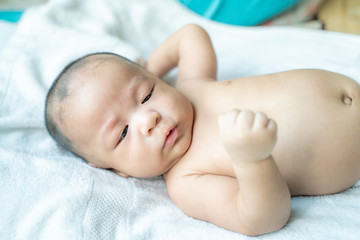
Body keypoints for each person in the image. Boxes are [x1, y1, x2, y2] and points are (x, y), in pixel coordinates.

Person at [45, 24, 360, 236]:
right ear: (115, 169)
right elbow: (262, 219)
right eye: (123, 133)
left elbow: (190, 35)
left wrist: (151, 68)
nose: (148, 119)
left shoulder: (192, 87)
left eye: (146, 94)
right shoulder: (188, 181)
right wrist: (252, 160)